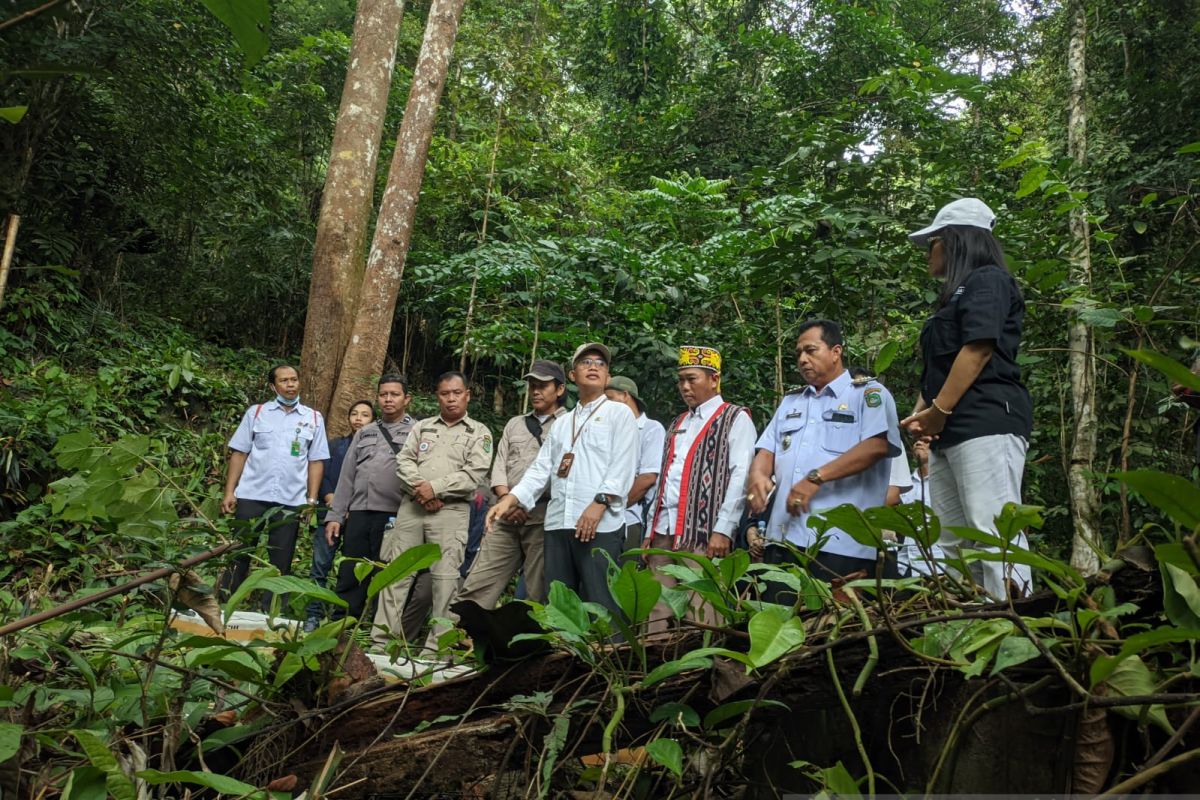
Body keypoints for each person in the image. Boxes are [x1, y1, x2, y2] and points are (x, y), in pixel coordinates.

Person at [901, 198, 1034, 599]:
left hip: (985, 420)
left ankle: (1019, 633)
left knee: (992, 529)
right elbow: (943, 367)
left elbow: (977, 350)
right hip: (950, 431)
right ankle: (971, 631)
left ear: (955, 240)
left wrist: (938, 412)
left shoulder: (988, 280)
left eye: (933, 242)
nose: (929, 252)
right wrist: (920, 416)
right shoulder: (954, 295)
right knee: (951, 540)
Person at [486, 343, 638, 618]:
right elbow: (540, 469)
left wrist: (599, 504)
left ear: (607, 375)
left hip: (599, 525)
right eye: (586, 362)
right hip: (557, 523)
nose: (593, 367)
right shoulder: (562, 423)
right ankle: (564, 659)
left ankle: (605, 660)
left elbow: (623, 465)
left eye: (600, 363)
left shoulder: (619, 413)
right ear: (571, 375)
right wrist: (510, 499)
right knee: (561, 605)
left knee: (602, 603)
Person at [746, 320, 902, 585]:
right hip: (782, 539)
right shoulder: (791, 402)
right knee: (778, 616)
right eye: (798, 354)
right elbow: (767, 450)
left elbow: (877, 445)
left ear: (836, 352)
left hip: (842, 544)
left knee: (834, 623)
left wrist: (815, 478)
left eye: (811, 350)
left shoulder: (868, 394)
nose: (803, 359)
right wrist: (758, 476)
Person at [371, 371, 492, 656]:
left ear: (467, 395)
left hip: (451, 513)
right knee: (396, 576)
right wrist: (420, 491)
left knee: (445, 581)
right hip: (412, 509)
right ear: (437, 396)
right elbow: (404, 461)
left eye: (456, 393)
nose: (451, 398)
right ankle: (380, 643)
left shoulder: (479, 432)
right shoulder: (422, 427)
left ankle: (437, 650)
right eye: (444, 393)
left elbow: (474, 473)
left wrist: (434, 489)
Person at [644, 346, 756, 635]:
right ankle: (654, 670)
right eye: (681, 379)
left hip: (704, 533)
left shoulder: (735, 417)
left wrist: (724, 529)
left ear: (714, 379)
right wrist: (649, 530)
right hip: (665, 530)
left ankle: (706, 671)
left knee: (704, 609)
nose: (684, 386)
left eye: (691, 379)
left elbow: (741, 475)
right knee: (657, 610)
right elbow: (665, 478)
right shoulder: (678, 422)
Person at [456, 360, 568, 610]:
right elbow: (499, 466)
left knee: (536, 587)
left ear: (560, 389)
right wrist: (508, 500)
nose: (536, 391)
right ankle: (460, 636)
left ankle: (529, 643)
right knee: (479, 581)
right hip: (505, 514)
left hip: (542, 517)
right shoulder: (515, 424)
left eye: (543, 386)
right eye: (532, 386)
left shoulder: (570, 424)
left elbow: (563, 471)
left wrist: (522, 501)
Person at [221, 364, 329, 611]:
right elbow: (239, 453)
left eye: (294, 380)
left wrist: (311, 500)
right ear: (273, 386)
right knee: (239, 553)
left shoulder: (313, 418)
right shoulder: (257, 413)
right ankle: (225, 605)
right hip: (251, 494)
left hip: (290, 499)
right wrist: (230, 491)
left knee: (281, 559)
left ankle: (271, 613)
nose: (290, 385)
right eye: (284, 381)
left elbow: (316, 461)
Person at [322, 376, 415, 624]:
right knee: (351, 571)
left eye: (394, 394)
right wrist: (335, 516)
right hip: (360, 513)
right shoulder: (365, 432)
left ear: (407, 399)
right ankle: (341, 626)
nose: (388, 399)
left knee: (386, 573)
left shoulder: (418, 431)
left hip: (395, 515)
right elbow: (347, 477)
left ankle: (377, 630)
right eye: (383, 394)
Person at [305, 399, 376, 630]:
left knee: (353, 569)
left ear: (373, 420)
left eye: (365, 415)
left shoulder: (376, 448)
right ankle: (313, 616)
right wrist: (329, 497)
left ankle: (344, 620)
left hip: (359, 516)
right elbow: (321, 473)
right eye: (354, 413)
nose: (358, 418)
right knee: (320, 566)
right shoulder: (335, 446)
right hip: (330, 513)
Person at [604, 376, 667, 553]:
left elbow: (647, 478)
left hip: (631, 518)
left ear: (625, 395)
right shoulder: (607, 429)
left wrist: (610, 507)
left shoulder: (651, 429)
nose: (606, 406)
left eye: (610, 399)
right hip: (601, 519)